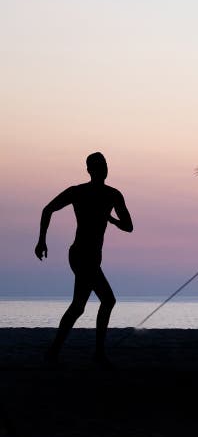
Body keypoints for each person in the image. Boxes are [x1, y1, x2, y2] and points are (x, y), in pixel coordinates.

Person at [35, 152, 133, 367]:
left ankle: (58, 352)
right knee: (100, 302)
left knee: (83, 306)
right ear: (89, 170)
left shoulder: (114, 195)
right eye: (98, 166)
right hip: (80, 254)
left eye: (105, 165)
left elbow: (129, 227)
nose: (103, 169)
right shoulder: (77, 192)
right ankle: (90, 353)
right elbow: (48, 209)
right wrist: (41, 240)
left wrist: (112, 220)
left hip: (92, 256)